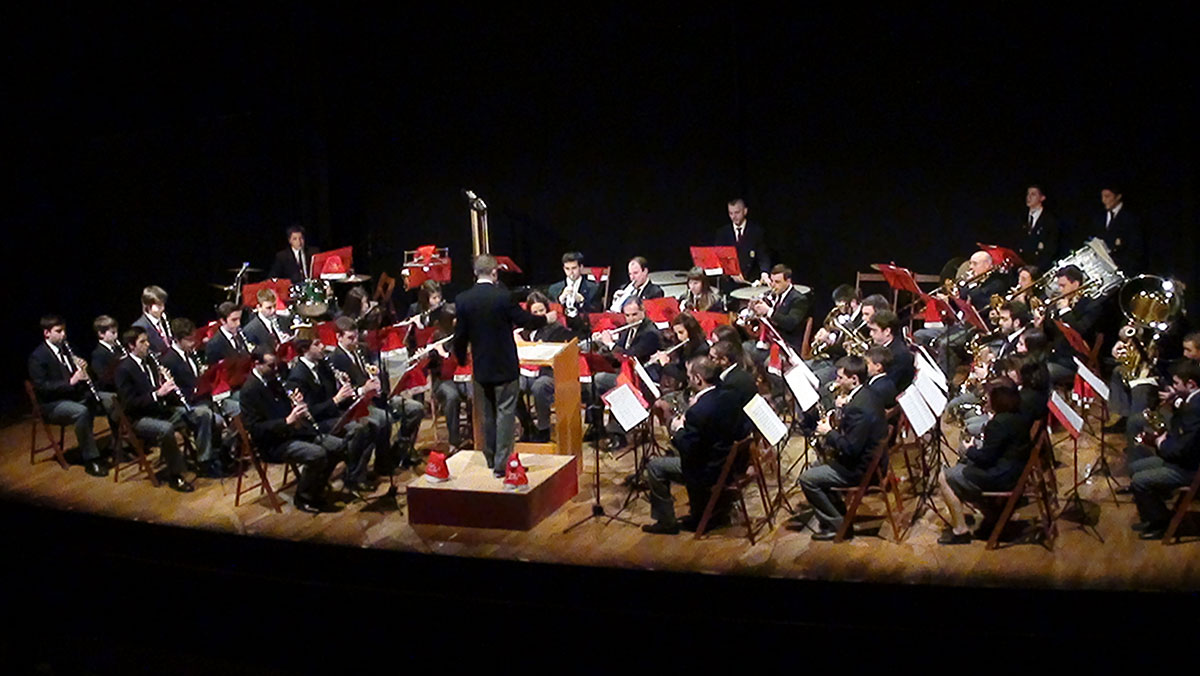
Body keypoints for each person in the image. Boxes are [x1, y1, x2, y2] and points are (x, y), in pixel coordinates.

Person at [453, 254, 555, 477]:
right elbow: (525, 321)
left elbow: (459, 337)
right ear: (494, 272)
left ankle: (490, 459)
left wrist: (461, 359)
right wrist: (546, 319)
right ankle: (503, 465)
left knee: (487, 415)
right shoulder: (503, 297)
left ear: (474, 274)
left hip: (481, 369)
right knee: (505, 414)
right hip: (505, 367)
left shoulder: (463, 300)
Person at [642, 356, 752, 534]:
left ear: (698, 379)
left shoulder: (699, 412)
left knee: (655, 466)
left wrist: (675, 426)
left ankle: (666, 522)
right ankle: (706, 510)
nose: (687, 379)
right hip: (733, 463)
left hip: (709, 471)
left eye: (689, 375)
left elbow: (686, 449)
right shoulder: (730, 395)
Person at [239, 348, 344, 513]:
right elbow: (255, 428)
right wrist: (287, 421)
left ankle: (316, 488)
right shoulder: (249, 391)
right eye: (271, 366)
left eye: (276, 365)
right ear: (257, 364)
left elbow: (284, 406)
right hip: (273, 444)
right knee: (317, 454)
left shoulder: (273, 378)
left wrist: (296, 404)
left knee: (338, 446)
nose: (275, 369)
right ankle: (303, 498)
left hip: (292, 432)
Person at [797, 355, 888, 540]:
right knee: (816, 468)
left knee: (807, 479)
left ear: (854, 379)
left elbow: (850, 449)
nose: (836, 381)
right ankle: (838, 516)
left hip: (861, 469)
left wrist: (829, 432)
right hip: (870, 459)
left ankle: (838, 526)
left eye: (840, 378)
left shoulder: (859, 409)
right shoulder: (867, 394)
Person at [936, 378, 1033, 544]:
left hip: (1000, 477)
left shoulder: (999, 423)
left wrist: (970, 449)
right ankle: (991, 513)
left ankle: (960, 530)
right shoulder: (1019, 416)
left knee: (944, 477)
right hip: (1013, 470)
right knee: (963, 466)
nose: (987, 400)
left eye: (990, 398)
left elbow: (986, 459)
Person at [115, 326, 211, 492]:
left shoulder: (151, 361)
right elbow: (129, 403)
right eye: (142, 342)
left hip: (161, 411)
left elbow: (158, 389)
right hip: (139, 418)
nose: (147, 345)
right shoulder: (124, 370)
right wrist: (157, 393)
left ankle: (204, 461)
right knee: (166, 429)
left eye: (147, 340)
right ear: (132, 346)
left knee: (202, 414)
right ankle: (176, 476)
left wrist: (166, 385)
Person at [329, 317, 423, 473]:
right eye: (350, 338)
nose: (355, 341)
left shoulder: (361, 350)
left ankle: (397, 453)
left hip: (376, 398)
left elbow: (370, 375)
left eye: (356, 336)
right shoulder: (336, 359)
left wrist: (377, 378)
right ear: (338, 337)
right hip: (357, 405)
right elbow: (342, 392)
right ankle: (378, 465)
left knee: (416, 409)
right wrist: (363, 390)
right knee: (381, 419)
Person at [286, 336, 376, 491]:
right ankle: (353, 476)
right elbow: (310, 411)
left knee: (370, 426)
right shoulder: (297, 376)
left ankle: (355, 473)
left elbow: (330, 391)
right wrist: (336, 399)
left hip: (332, 414)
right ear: (304, 349)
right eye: (316, 343)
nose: (322, 346)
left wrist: (341, 382)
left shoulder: (322, 364)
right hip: (314, 423)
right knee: (358, 429)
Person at [1126, 361, 1200, 539]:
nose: (1172, 388)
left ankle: (1160, 524)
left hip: (1190, 469)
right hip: (1185, 461)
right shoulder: (1193, 401)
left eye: (1176, 384)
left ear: (1191, 384)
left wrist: (1160, 443)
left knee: (1139, 480)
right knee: (1135, 467)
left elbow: (1183, 450)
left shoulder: (1196, 409)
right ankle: (1154, 515)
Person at [29, 315, 108, 477]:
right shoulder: (38, 357)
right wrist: (71, 382)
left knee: (109, 400)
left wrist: (84, 368)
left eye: (64, 330)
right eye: (58, 331)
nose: (63, 335)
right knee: (81, 411)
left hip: (73, 396)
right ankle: (91, 459)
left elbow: (80, 374)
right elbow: (43, 387)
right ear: (47, 333)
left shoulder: (67, 349)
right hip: (52, 405)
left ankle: (117, 444)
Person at [161, 317, 228, 477]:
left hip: (202, 399)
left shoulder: (190, 353)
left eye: (194, 339)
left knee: (232, 408)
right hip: (186, 405)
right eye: (189, 340)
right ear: (177, 339)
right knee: (212, 418)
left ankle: (223, 452)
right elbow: (173, 394)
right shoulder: (168, 360)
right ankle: (205, 461)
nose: (193, 343)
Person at [516, 291, 573, 443]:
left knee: (539, 387)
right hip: (526, 372)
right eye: (535, 312)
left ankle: (543, 429)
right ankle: (527, 425)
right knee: (511, 385)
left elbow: (568, 348)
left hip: (548, 373)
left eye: (542, 311)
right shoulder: (524, 330)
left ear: (547, 310)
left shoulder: (557, 329)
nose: (540, 315)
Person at [743, 264, 810, 364]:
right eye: (772, 281)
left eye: (777, 282)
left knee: (768, 362)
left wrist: (768, 311)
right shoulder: (772, 295)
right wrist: (753, 310)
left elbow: (790, 323)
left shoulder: (799, 299)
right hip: (770, 340)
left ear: (788, 281)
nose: (773, 285)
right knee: (744, 348)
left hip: (787, 345)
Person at [713, 197, 771, 287]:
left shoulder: (756, 231)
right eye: (730, 213)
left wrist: (764, 273)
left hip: (750, 282)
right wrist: (731, 273)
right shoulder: (722, 232)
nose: (734, 217)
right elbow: (719, 258)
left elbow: (763, 256)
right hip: (729, 283)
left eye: (737, 212)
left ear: (745, 211)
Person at [1095, 184, 1145, 274]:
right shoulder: (1100, 216)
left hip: (1124, 268)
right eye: (1102, 196)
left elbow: (1135, 247)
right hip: (1104, 269)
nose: (1104, 200)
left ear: (1118, 197)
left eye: (1107, 196)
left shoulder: (1130, 218)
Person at [867, 310, 914, 392]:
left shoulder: (899, 354)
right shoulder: (884, 347)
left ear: (887, 331)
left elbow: (888, 385)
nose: (871, 334)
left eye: (874, 330)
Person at [1017, 184, 1060, 271]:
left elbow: (1051, 248)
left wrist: (1037, 269)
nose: (1029, 197)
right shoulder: (1022, 218)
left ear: (1042, 198)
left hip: (1039, 268)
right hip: (1021, 267)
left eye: (1033, 194)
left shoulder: (1049, 221)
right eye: (1028, 194)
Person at [547, 251, 600, 316]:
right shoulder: (554, 288)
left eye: (574, 268)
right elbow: (550, 311)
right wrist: (561, 299)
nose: (571, 272)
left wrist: (582, 301)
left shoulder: (593, 288)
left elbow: (597, 313)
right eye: (567, 269)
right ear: (564, 269)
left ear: (581, 267)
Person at [710, 339, 757, 406]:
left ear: (724, 360)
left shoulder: (731, 384)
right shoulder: (739, 371)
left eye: (712, 357)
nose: (709, 360)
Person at [132, 285, 173, 355]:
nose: (163, 308)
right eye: (159, 305)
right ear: (148, 305)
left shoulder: (164, 319)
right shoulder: (139, 327)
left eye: (163, 304)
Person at [90, 314, 125, 395]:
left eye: (116, 332)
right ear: (101, 334)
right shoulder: (97, 354)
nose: (116, 335)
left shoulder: (118, 349)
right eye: (113, 332)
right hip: (111, 390)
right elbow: (103, 378)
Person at [863, 345, 897, 409]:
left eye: (867, 363)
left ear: (878, 366)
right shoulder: (884, 381)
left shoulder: (877, 389)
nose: (864, 365)